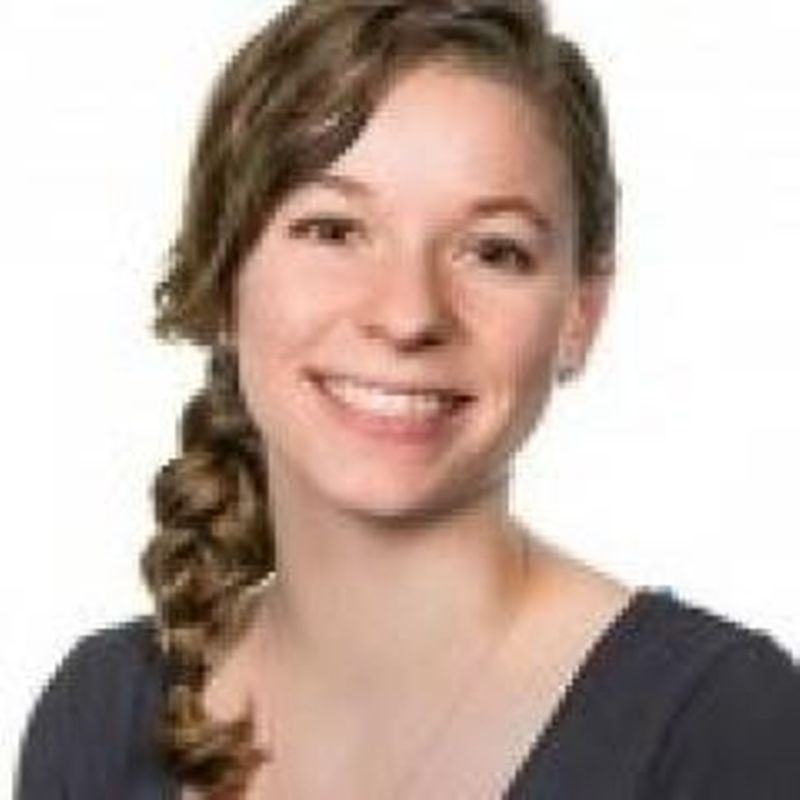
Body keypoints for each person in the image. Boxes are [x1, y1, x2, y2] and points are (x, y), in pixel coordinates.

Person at [15, 1, 800, 798]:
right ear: (221, 275)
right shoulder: (101, 716)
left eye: (493, 251)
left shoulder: (723, 725)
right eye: (333, 231)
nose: (408, 315)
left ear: (581, 313)